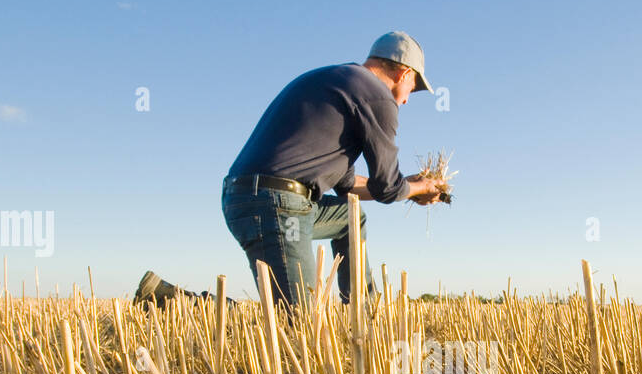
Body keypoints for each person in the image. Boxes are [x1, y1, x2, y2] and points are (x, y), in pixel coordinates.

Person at [134, 31, 446, 308]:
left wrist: (409, 187)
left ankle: (363, 314)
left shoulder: (336, 80)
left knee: (350, 218)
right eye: (413, 89)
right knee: (300, 323)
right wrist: (421, 187)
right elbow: (387, 188)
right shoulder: (377, 96)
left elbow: (350, 187)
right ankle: (169, 299)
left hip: (251, 196)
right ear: (404, 73)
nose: (406, 101)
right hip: (277, 203)